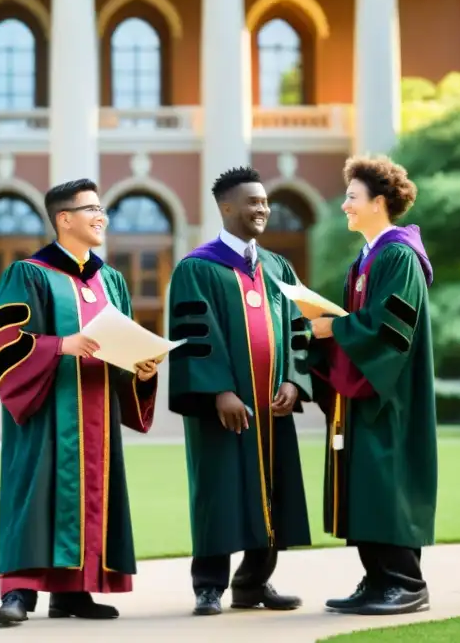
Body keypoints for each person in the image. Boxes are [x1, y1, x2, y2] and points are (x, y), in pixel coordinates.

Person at [0, 178, 161, 625]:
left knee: (93, 495)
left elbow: (120, 344)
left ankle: (75, 592)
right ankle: (18, 594)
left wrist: (140, 370)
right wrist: (60, 346)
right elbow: (7, 342)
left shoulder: (112, 281)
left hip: (98, 411)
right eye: (91, 209)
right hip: (49, 409)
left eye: (102, 208)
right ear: (64, 219)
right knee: (35, 493)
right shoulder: (29, 274)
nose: (101, 216)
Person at [167, 166, 312, 616]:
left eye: (265, 201)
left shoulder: (277, 266)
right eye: (253, 202)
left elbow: (298, 327)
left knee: (273, 489)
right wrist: (220, 392)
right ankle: (208, 586)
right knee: (218, 491)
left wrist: (294, 379)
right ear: (226, 207)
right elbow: (194, 335)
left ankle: (253, 582)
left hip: (272, 404)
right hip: (224, 408)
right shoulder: (197, 267)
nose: (263, 208)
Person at [308, 155, 437, 616]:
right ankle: (377, 578)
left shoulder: (399, 255)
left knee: (389, 483)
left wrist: (334, 329)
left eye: (351, 197)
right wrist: (325, 334)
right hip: (363, 395)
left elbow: (390, 329)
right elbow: (360, 322)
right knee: (364, 485)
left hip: (391, 396)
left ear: (379, 202)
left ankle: (406, 582)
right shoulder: (366, 258)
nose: (343, 205)